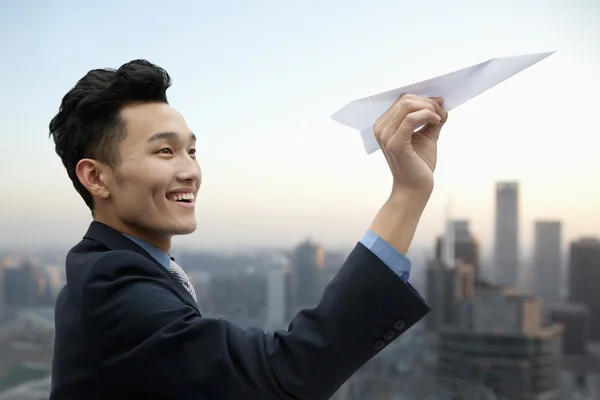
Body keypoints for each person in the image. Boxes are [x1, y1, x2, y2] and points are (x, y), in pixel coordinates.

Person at [48, 59, 447, 400]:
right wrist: (408, 194)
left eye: (191, 150)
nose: (189, 171)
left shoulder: (115, 273)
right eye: (164, 151)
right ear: (96, 178)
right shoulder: (110, 286)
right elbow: (286, 374)